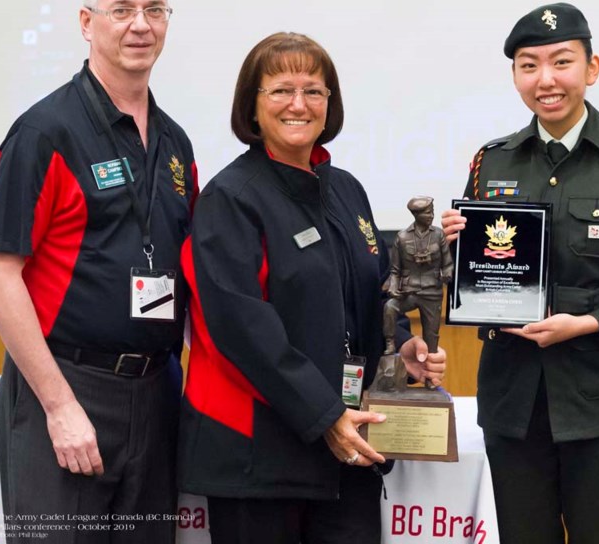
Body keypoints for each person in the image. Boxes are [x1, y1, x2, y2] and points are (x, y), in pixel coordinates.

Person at [178, 32, 447, 543]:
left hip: (347, 450)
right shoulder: (230, 199)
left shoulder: (346, 189)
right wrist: (325, 414)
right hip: (256, 459)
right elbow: (241, 327)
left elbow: (369, 294)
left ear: (330, 105)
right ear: (252, 108)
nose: (298, 104)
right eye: (280, 90)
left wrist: (402, 350)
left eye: (314, 91)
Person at [441, 3, 599, 544]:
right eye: (528, 66)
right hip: (513, 405)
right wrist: (453, 251)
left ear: (592, 68)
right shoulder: (493, 161)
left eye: (561, 62)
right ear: (515, 76)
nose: (545, 80)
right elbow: (479, 276)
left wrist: (588, 323)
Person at [0, 0, 197, 541]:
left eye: (154, 9)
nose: (140, 25)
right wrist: (59, 406)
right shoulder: (45, 133)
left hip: (156, 394)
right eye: (121, 10)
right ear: (85, 22)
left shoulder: (176, 144)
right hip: (67, 392)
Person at [382, 196, 454, 359]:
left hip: (432, 293)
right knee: (390, 307)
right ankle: (390, 343)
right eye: (427, 213)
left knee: (431, 340)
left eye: (432, 212)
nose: (431, 216)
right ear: (416, 215)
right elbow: (395, 270)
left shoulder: (438, 235)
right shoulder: (402, 237)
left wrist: (447, 275)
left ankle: (430, 379)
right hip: (410, 292)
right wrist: (393, 288)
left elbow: (448, 264)